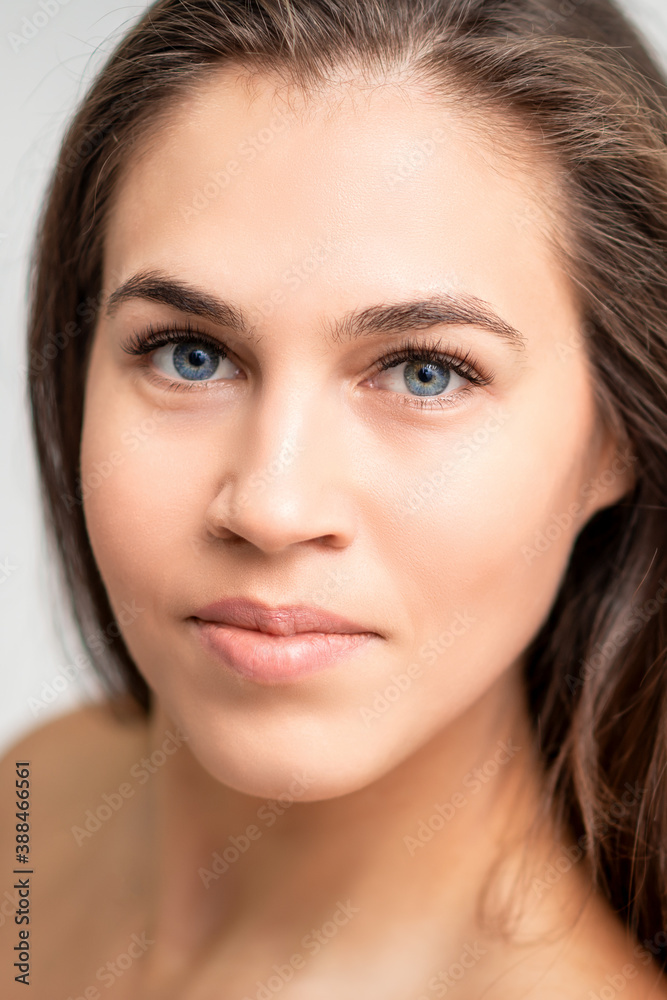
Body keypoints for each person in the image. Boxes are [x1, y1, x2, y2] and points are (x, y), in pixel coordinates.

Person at [3, 0, 667, 996]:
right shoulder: (38, 790)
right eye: (192, 354)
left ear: (614, 435)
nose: (270, 505)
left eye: (424, 372)